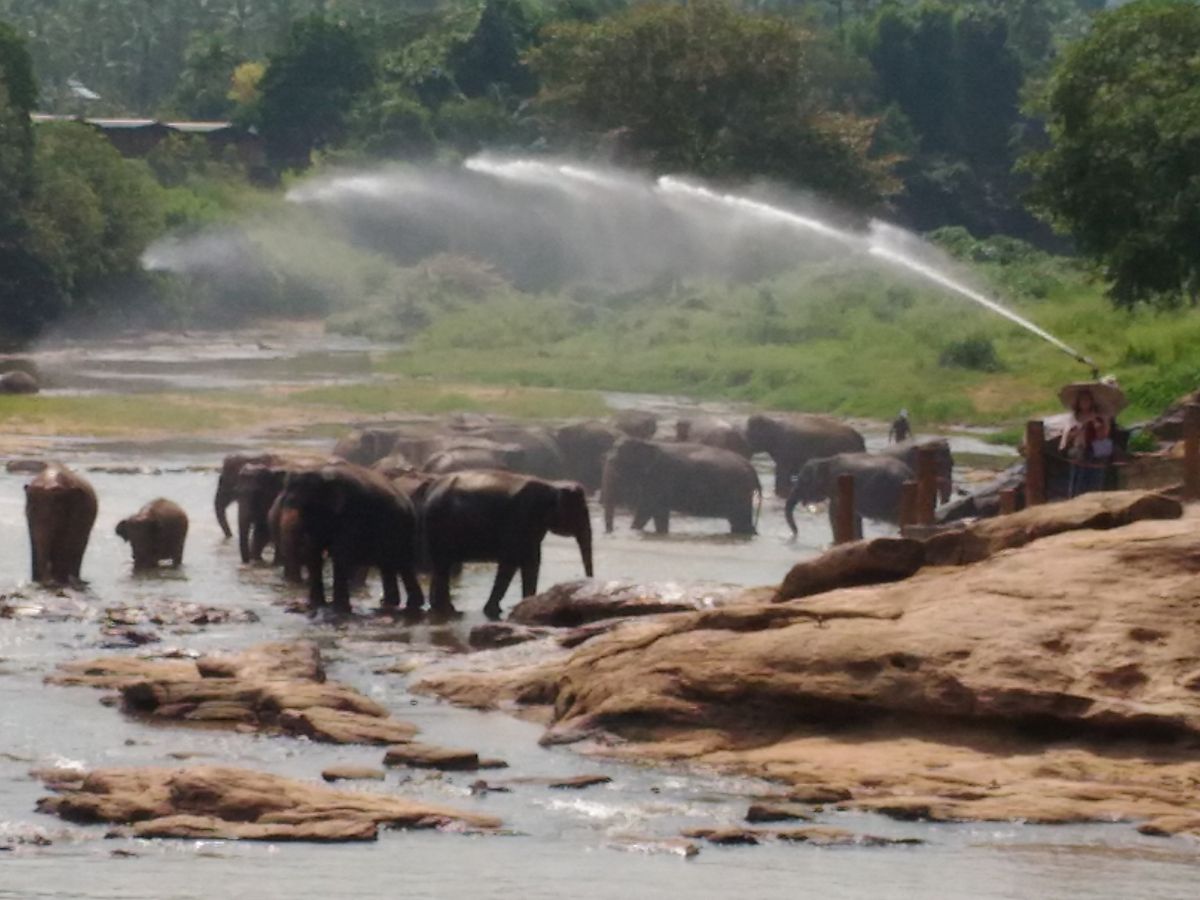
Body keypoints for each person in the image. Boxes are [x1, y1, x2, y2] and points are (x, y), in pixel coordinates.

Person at [1060, 388, 1113, 497]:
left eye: (1087, 400)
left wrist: (1097, 423)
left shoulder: (1099, 416)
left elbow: (1104, 435)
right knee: (1078, 479)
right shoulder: (1074, 417)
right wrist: (1081, 427)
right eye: (1082, 400)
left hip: (1096, 451)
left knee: (1095, 480)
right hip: (1079, 451)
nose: (1085, 403)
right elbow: (1068, 434)